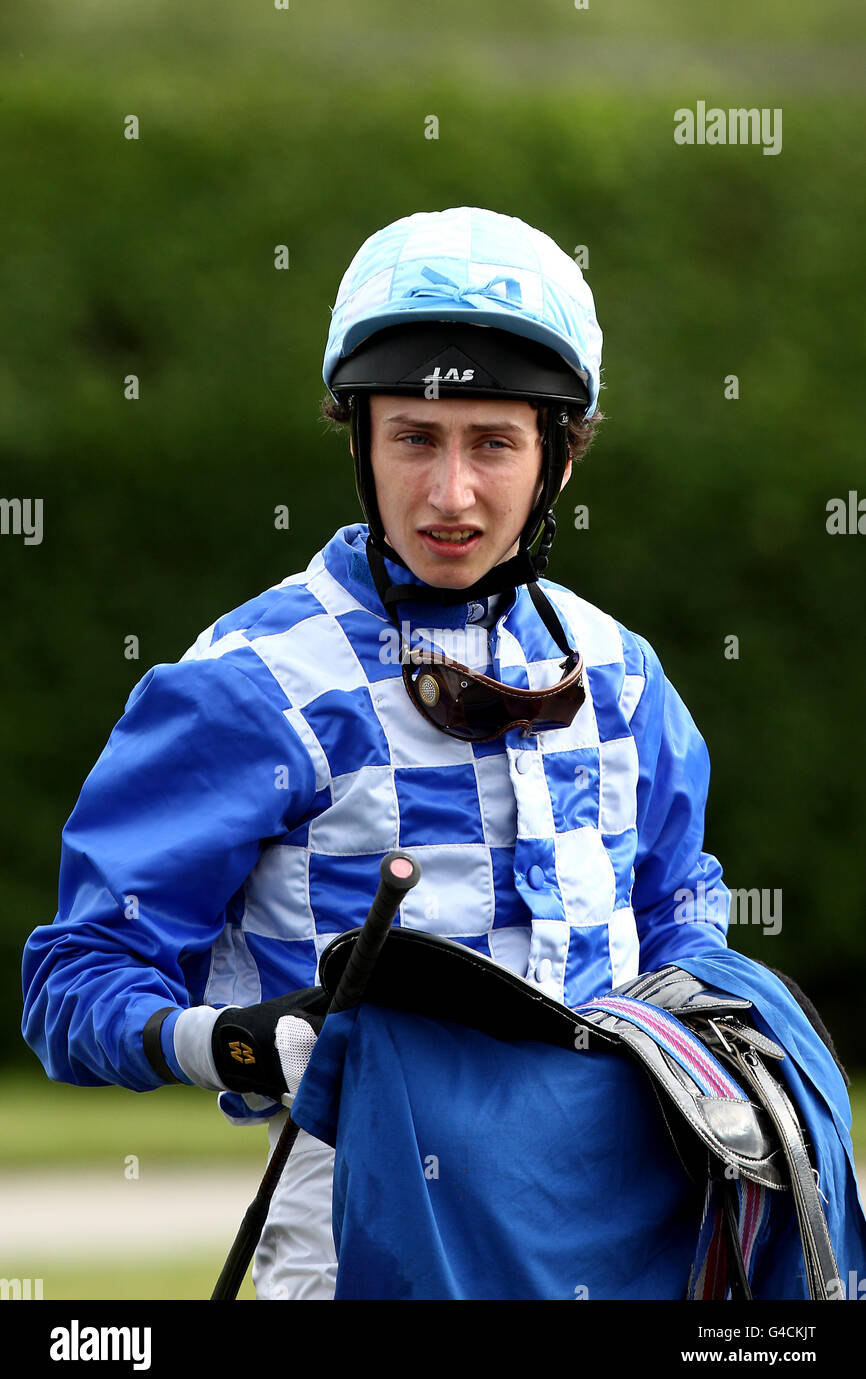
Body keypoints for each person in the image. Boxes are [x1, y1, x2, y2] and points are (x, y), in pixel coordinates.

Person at [21, 206, 865, 1301]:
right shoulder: (244, 686)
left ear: (559, 457)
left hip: (633, 1232)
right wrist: (232, 1042)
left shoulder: (623, 677)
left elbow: (672, 912)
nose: (451, 493)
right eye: (415, 438)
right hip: (356, 1237)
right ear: (362, 442)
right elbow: (72, 979)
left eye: (493, 442)